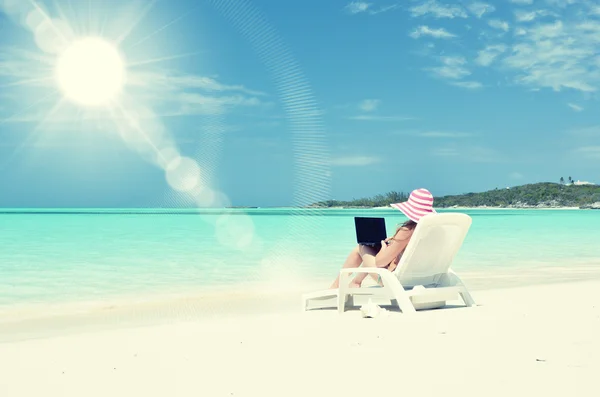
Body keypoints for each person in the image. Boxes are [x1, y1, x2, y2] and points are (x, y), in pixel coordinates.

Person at [329, 188, 437, 289]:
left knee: (361, 247)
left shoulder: (407, 231)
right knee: (368, 248)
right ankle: (355, 282)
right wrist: (394, 244)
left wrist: (384, 247)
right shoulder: (430, 231)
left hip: (393, 281)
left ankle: (338, 286)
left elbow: (379, 263)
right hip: (420, 280)